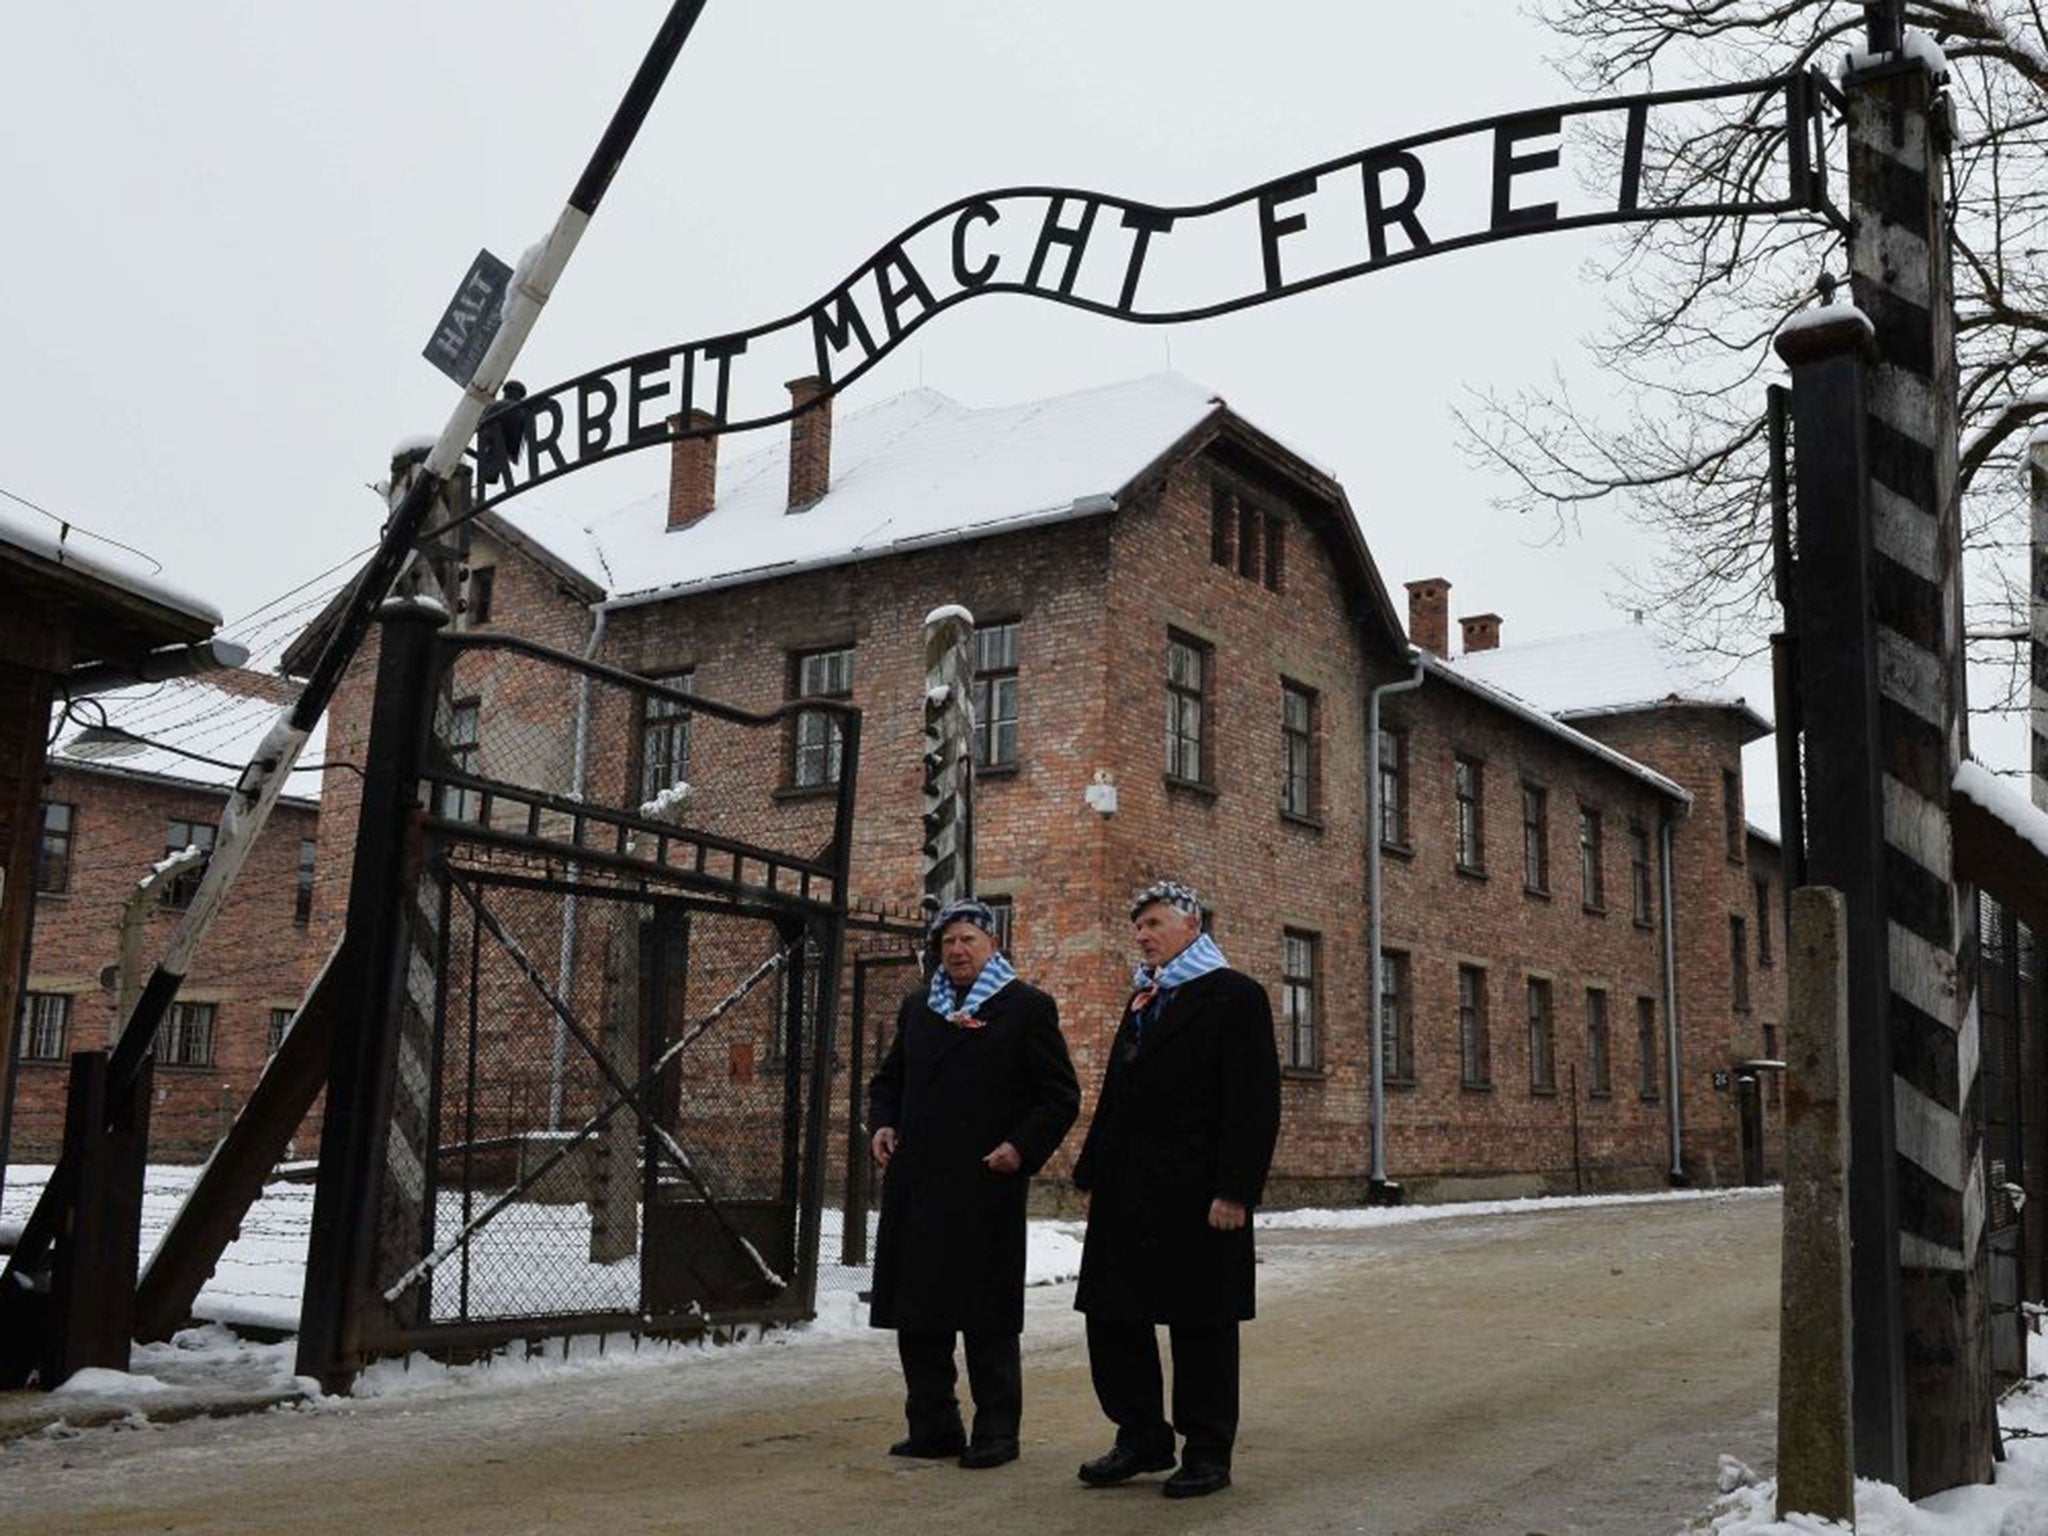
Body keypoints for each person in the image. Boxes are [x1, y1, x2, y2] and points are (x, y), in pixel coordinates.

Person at [1071, 880, 1282, 1499]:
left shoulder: (1234, 996)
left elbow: (1254, 1102)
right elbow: (1117, 1094)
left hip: (1199, 1194)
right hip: (1127, 1189)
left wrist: (1236, 1190)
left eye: (1154, 924)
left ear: (1191, 926)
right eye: (1138, 927)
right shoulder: (1144, 997)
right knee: (1112, 1315)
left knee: (1201, 1323)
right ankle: (1141, 1437)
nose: (1142, 935)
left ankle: (1207, 1451)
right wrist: (1091, 1169)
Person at [868, 897, 1080, 1470]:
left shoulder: (1026, 1008)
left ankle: (996, 1433)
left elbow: (1059, 1096)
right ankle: (933, 1426)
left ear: (992, 945)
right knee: (918, 1314)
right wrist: (883, 1123)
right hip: (917, 1186)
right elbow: (888, 1081)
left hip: (986, 1182)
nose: (957, 951)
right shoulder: (919, 1008)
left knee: (985, 1316)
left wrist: (1020, 1146)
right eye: (948, 942)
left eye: (968, 939)